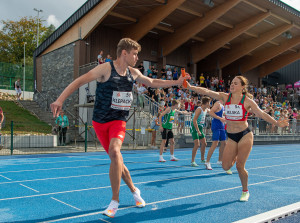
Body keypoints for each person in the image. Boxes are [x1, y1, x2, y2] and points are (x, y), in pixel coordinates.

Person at [50, 38, 189, 218]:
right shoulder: (105, 69)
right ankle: (134, 190)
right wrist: (60, 99)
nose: (137, 57)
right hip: (100, 122)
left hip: (119, 121)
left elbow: (153, 82)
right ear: (124, 52)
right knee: (118, 161)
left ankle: (114, 201)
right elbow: (79, 81)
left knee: (115, 153)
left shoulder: (133, 72)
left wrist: (177, 83)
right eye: (135, 54)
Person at [184, 75, 288, 202]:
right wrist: (190, 87)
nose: (232, 85)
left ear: (243, 87)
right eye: (231, 83)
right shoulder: (224, 97)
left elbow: (261, 114)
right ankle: (237, 156)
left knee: (239, 166)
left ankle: (245, 191)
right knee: (225, 166)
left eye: (236, 83)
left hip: (245, 135)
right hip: (232, 137)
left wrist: (276, 123)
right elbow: (207, 91)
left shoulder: (247, 101)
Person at [205, 100, 229, 173]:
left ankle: (220, 160)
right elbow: (211, 112)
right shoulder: (217, 104)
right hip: (216, 126)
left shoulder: (223, 106)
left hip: (221, 126)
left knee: (224, 143)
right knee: (215, 144)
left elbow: (222, 114)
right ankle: (207, 162)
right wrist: (220, 118)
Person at [190, 96, 211, 167]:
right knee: (197, 144)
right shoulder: (199, 109)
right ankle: (192, 161)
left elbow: (212, 112)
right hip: (194, 127)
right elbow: (194, 120)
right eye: (209, 103)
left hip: (200, 128)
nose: (210, 104)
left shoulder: (206, 109)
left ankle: (202, 159)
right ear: (207, 103)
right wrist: (198, 130)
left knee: (204, 143)